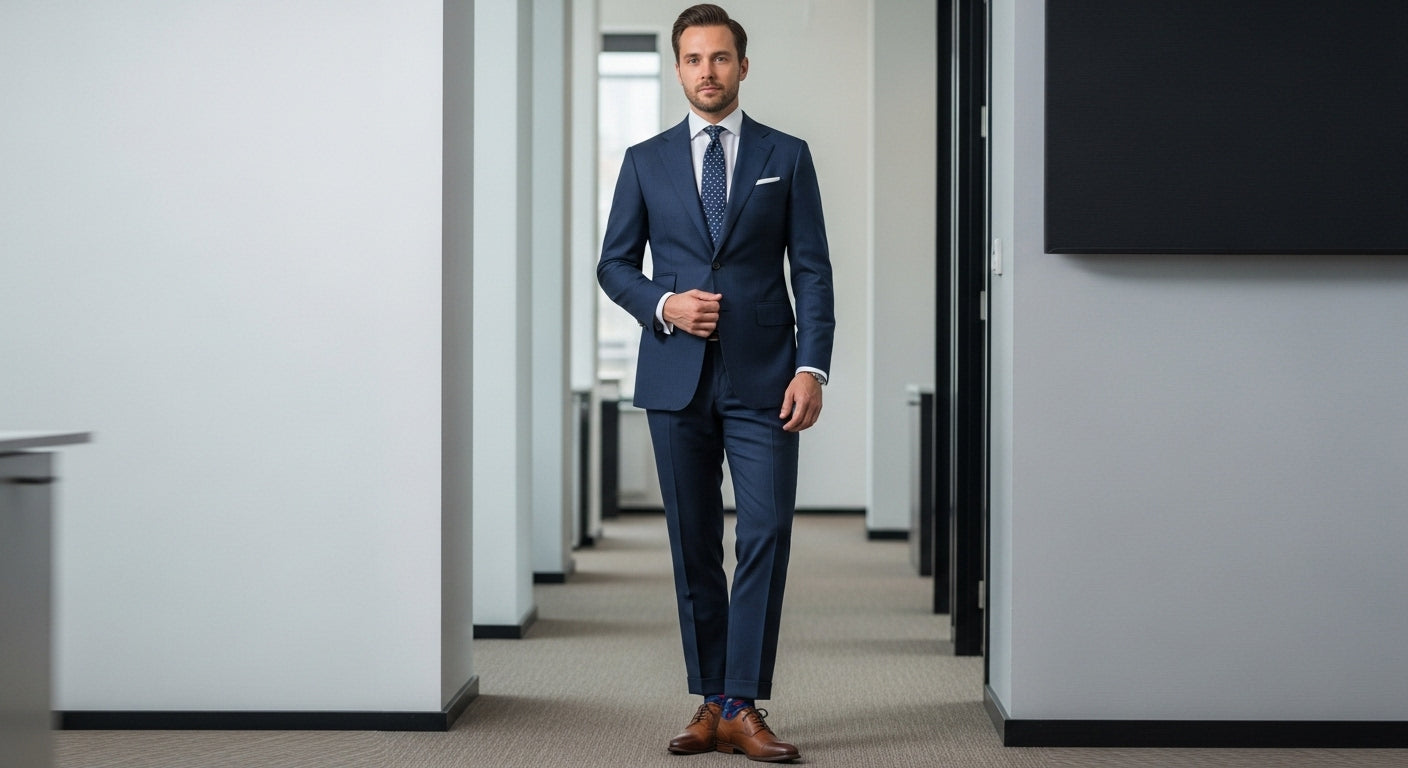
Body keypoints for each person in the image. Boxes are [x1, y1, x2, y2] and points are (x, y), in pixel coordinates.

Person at [596, 4, 835, 762]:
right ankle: (711, 701)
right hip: (676, 378)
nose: (708, 71)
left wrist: (812, 365)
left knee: (764, 531)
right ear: (678, 68)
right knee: (694, 542)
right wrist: (664, 304)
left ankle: (743, 702)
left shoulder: (786, 155)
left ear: (742, 65)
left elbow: (814, 272)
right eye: (695, 59)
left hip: (767, 379)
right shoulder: (644, 159)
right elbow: (613, 265)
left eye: (721, 57)